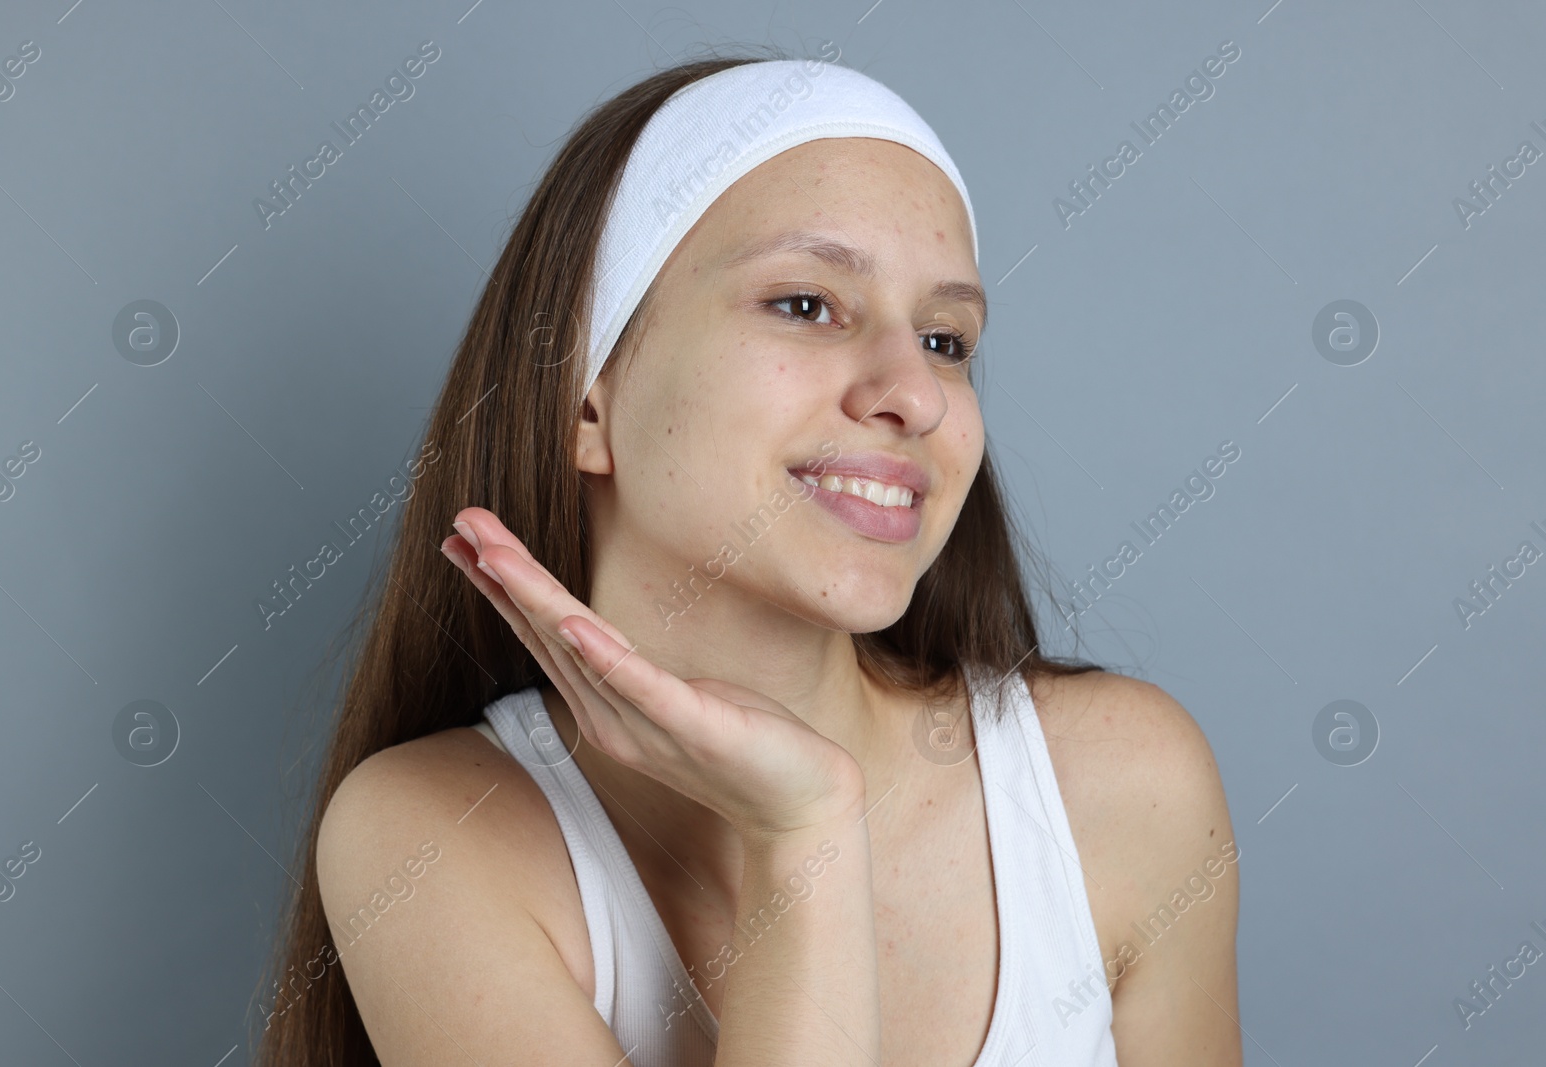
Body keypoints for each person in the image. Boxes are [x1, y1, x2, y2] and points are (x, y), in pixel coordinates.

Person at [258, 48, 1241, 1067]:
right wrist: (803, 832)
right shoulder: (433, 835)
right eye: (808, 304)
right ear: (585, 398)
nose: (916, 391)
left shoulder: (1125, 787)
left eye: (946, 339)